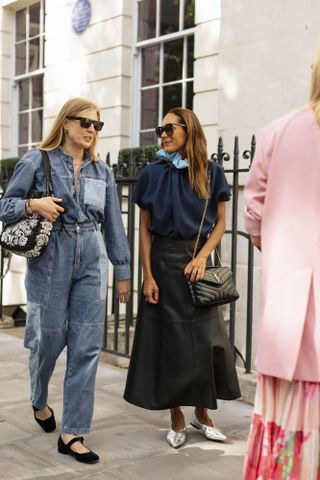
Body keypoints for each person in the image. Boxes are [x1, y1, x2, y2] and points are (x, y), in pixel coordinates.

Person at [0, 98, 131, 464]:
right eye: (85, 122)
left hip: (91, 256)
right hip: (50, 257)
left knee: (87, 345)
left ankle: (73, 432)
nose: (91, 129)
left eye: (97, 125)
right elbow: (5, 206)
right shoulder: (37, 160)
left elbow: (114, 225)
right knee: (48, 339)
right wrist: (33, 204)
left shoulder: (101, 171)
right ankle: (38, 399)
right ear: (67, 123)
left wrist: (121, 269)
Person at [124, 107, 240, 448]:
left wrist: (203, 256)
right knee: (168, 343)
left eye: (170, 128)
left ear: (189, 130)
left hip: (197, 263)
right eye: (161, 129)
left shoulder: (211, 171)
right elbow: (143, 229)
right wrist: (147, 275)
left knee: (204, 341)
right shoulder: (151, 173)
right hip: (162, 261)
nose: (164, 134)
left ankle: (202, 414)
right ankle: (176, 416)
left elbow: (221, 222)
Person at [243, 47, 320, 479]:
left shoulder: (278, 132)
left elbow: (254, 217)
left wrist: (278, 246)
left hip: (295, 303)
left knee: (288, 431)